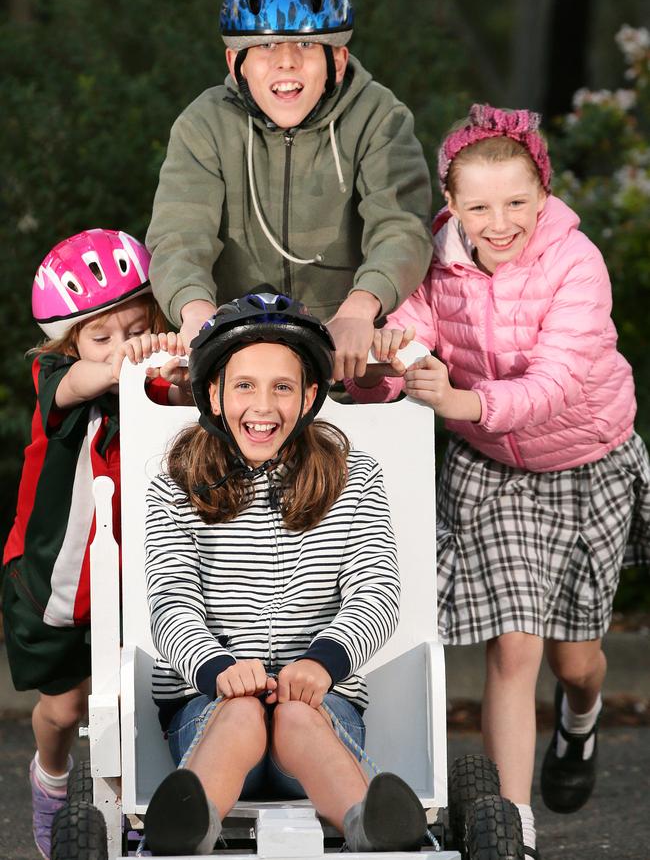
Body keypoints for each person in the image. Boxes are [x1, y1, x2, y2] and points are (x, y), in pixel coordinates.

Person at [346, 105, 650, 860]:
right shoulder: (438, 264)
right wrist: (389, 365)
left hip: (588, 459)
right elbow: (410, 339)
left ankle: (579, 719)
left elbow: (554, 382)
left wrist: (462, 401)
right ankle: (513, 831)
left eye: (516, 202)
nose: (499, 221)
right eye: (478, 206)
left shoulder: (576, 263)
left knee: (575, 659)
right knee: (515, 646)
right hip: (493, 468)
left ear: (543, 194)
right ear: (452, 204)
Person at [142, 292, 428, 855]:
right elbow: (170, 600)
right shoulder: (177, 482)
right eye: (244, 385)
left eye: (283, 386)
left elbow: (377, 588)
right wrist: (216, 667)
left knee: (297, 715)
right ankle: (190, 829)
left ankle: (366, 823)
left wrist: (325, 664)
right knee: (243, 712)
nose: (263, 404)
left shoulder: (354, 476)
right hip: (210, 704)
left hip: (321, 705)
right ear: (215, 396)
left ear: (310, 396)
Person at [1, 229, 193, 860]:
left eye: (135, 327)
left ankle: (120, 818)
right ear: (70, 340)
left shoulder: (155, 379)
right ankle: (51, 776)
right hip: (53, 580)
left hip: (131, 576)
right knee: (64, 709)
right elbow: (78, 383)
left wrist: (175, 362)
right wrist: (119, 360)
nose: (120, 344)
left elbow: (185, 394)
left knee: (127, 700)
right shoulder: (56, 376)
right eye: (101, 334)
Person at [145, 0, 433, 381]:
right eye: (264, 45)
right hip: (237, 343)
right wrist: (196, 312)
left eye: (307, 44)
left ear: (338, 61)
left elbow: (401, 226)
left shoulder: (381, 117)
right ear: (236, 63)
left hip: (345, 341)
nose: (286, 61)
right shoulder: (203, 124)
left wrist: (361, 308)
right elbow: (180, 233)